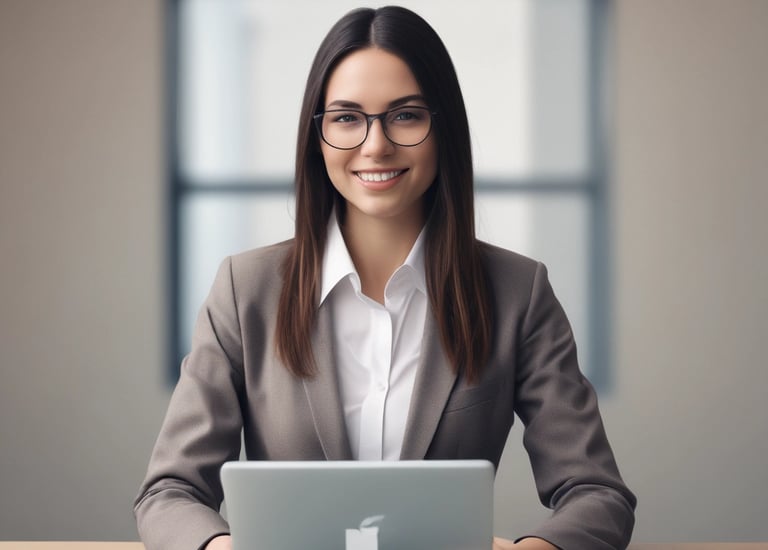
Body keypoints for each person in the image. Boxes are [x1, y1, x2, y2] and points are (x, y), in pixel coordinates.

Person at [134, 6, 636, 550]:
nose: (375, 145)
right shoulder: (244, 290)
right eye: (347, 118)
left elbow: (597, 494)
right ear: (318, 135)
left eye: (405, 115)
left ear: (443, 128)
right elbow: (169, 491)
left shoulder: (518, 292)